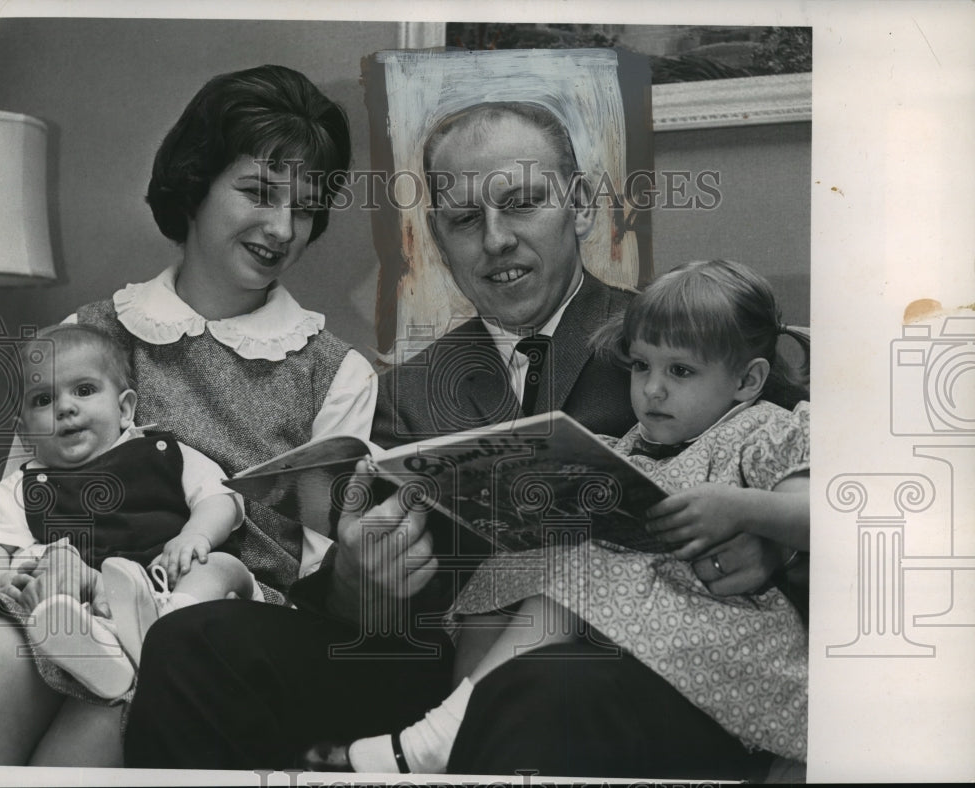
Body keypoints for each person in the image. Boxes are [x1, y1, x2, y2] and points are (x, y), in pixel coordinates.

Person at [123, 103, 803, 774]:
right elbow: (361, 610)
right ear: (439, 242)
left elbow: (797, 470)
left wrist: (767, 540)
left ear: (583, 206)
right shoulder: (409, 390)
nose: (496, 238)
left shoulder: (678, 345)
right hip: (436, 665)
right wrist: (364, 582)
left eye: (523, 203)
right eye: (464, 219)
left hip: (628, 668)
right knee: (194, 640)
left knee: (543, 686)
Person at [0, 64, 376, 767]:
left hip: (210, 638)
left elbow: (325, 583)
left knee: (106, 720)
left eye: (306, 206)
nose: (284, 228)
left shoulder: (337, 373)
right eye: (258, 192)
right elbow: (20, 494)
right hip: (68, 595)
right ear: (195, 183)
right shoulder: (93, 333)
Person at [345, 258, 811, 777]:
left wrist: (741, 508)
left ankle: (441, 739)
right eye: (641, 366)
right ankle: (467, 734)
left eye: (680, 371)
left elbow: (818, 513)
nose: (652, 389)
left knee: (577, 568)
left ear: (748, 381)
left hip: (728, 642)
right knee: (508, 571)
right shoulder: (636, 445)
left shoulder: (764, 430)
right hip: (647, 627)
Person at [0, 323, 255, 700]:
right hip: (97, 599)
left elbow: (220, 498)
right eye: (43, 400)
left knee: (216, 565)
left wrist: (194, 536)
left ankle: (168, 629)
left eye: (84, 390)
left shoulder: (163, 453)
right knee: (54, 576)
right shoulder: (21, 486)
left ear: (125, 409)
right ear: (26, 433)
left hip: (177, 579)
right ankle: (104, 656)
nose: (65, 407)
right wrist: (17, 573)